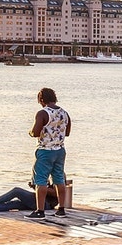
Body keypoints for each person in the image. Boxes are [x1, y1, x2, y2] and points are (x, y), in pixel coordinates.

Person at [27, 88, 71, 219]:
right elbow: (67, 133)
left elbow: (35, 132)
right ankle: (61, 209)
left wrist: (30, 132)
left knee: (40, 180)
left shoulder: (42, 113)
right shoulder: (64, 113)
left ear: (41, 99)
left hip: (45, 150)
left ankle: (40, 211)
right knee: (59, 179)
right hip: (60, 150)